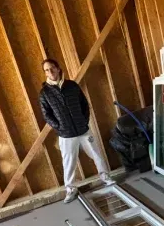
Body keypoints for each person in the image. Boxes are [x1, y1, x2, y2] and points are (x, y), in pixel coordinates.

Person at [39, 58, 114, 203]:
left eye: (52, 68)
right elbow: (47, 115)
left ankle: (106, 178)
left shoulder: (72, 86)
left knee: (96, 154)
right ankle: (70, 189)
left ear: (58, 68)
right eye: (47, 70)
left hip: (83, 130)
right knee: (69, 162)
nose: (50, 72)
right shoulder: (45, 93)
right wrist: (60, 127)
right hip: (66, 134)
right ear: (45, 73)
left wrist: (83, 121)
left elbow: (84, 105)